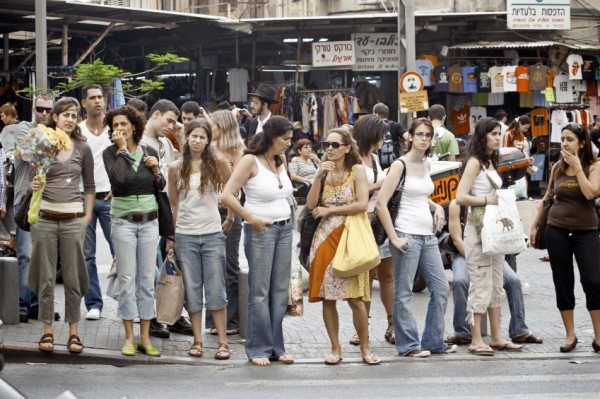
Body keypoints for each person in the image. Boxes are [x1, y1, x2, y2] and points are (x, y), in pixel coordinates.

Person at [375, 118, 454, 358]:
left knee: (440, 288)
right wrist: (394, 238)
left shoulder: (428, 164)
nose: (423, 138)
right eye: (419, 134)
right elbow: (381, 203)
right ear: (409, 136)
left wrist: (437, 207)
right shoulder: (400, 165)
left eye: (427, 135)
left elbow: (419, 196)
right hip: (405, 234)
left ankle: (432, 341)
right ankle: (409, 345)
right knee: (404, 291)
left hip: (427, 235)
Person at [221, 116, 295, 366]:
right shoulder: (249, 160)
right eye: (285, 138)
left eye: (290, 139)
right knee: (260, 293)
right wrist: (250, 219)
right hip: (261, 231)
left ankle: (276, 347)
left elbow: (285, 192)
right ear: (272, 136)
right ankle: (258, 348)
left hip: (285, 229)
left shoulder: (280, 160)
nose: (288, 143)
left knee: (278, 292)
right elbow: (227, 195)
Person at [306, 127, 380, 365]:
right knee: (328, 297)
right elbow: (310, 204)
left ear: (347, 148)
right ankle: (335, 348)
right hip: (324, 239)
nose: (329, 148)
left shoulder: (357, 170)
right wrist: (317, 176)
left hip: (350, 237)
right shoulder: (324, 172)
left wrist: (331, 210)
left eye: (335, 145)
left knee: (356, 298)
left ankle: (365, 348)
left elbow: (361, 204)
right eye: (327, 144)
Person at [29, 97, 95, 354]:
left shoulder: (83, 147)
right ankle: (47, 331)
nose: (70, 118)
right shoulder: (42, 144)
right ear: (54, 117)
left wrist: (87, 217)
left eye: (74, 114)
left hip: (73, 219)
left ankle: (73, 333)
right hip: (44, 217)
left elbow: (89, 186)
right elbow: (31, 180)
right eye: (65, 114)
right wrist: (32, 184)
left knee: (74, 277)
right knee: (45, 278)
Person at [455, 116, 524, 356]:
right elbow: (460, 197)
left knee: (496, 284)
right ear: (483, 135)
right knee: (481, 283)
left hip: (493, 232)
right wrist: (489, 200)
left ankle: (496, 336)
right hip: (477, 231)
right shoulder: (474, 162)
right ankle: (476, 338)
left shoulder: (491, 161)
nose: (498, 137)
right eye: (494, 134)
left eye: (499, 133)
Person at [530, 123, 600, 353]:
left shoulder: (594, 165)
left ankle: (599, 336)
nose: (565, 143)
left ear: (582, 142)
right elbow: (548, 197)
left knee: (593, 281)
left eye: (570, 139)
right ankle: (570, 335)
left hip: (586, 230)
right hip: (556, 229)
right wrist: (534, 225)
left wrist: (578, 166)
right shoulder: (558, 166)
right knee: (563, 281)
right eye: (563, 139)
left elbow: (591, 192)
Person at [167, 119, 232, 359]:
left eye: (202, 137)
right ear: (187, 137)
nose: (197, 140)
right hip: (185, 235)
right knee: (192, 292)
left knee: (216, 290)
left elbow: (232, 189)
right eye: (194, 136)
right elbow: (173, 203)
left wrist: (231, 218)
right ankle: (197, 341)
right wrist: (172, 236)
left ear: (208, 140)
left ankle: (223, 343)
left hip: (213, 234)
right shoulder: (175, 167)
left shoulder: (217, 162)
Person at [103, 105, 163, 357]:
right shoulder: (111, 153)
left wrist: (157, 170)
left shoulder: (149, 150)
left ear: (134, 126)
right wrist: (123, 151)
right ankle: (129, 336)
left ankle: (145, 337)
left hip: (150, 222)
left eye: (123, 124)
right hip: (123, 222)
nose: (119, 129)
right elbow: (119, 181)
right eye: (115, 125)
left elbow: (159, 185)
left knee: (147, 280)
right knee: (127, 279)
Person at [445, 199, 544, 346]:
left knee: (514, 281)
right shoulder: (457, 205)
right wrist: (475, 259)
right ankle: (463, 333)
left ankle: (519, 330)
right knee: (460, 281)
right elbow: (456, 239)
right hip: (465, 253)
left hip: (491, 252)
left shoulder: (493, 202)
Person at [1, 94, 60, 324]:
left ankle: (38, 305)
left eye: (48, 110)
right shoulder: (22, 128)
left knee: (45, 257)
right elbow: (27, 152)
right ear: (33, 109)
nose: (44, 113)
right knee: (26, 254)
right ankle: (22, 304)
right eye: (41, 109)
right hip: (25, 201)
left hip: (52, 201)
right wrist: (53, 141)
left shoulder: (55, 132)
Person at [141, 99, 191, 338]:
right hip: (147, 209)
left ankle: (170, 315)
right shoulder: (139, 142)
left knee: (169, 264)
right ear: (156, 113)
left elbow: (182, 170)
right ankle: (150, 317)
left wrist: (180, 135)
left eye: (175, 122)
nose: (172, 126)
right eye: (169, 120)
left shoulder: (165, 143)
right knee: (149, 266)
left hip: (167, 209)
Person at [350, 115, 395, 346]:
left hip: (380, 221)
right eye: (381, 134)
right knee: (365, 278)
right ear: (370, 134)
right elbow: (350, 192)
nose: (384, 138)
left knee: (387, 276)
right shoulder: (354, 159)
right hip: (362, 221)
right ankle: (361, 327)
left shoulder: (375, 159)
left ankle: (392, 324)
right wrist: (378, 185)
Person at [205, 109, 244, 336]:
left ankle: (232, 321)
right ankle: (213, 320)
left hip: (230, 212)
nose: (210, 129)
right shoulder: (209, 148)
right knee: (212, 268)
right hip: (208, 211)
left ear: (225, 126)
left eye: (214, 125)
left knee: (230, 266)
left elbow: (235, 186)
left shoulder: (238, 150)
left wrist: (222, 162)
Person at [79, 84, 115, 321]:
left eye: (100, 97)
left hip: (112, 197)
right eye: (92, 98)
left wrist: (118, 184)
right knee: (87, 254)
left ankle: (127, 302)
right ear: (84, 103)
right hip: (84, 198)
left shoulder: (114, 127)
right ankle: (94, 303)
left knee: (121, 251)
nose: (97, 101)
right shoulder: (78, 131)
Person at [503, 115, 532, 200]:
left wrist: (527, 160)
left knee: (520, 191)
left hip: (519, 166)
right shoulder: (508, 134)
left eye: (527, 129)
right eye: (525, 128)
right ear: (519, 124)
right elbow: (504, 151)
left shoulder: (522, 136)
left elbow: (521, 151)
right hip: (509, 166)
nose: (526, 130)